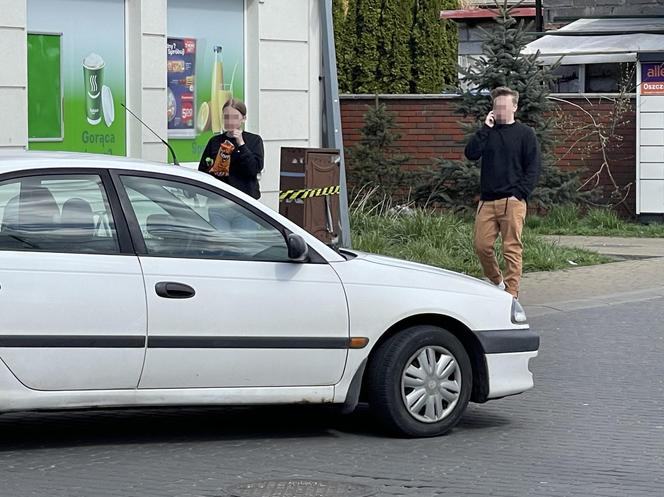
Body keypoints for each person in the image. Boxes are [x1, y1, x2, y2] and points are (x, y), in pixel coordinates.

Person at [464, 86, 541, 299]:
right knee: (481, 246)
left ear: (515, 107)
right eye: (496, 106)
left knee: (511, 249)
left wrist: (520, 193)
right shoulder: (488, 132)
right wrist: (484, 129)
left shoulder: (525, 134)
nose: (499, 111)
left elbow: (533, 168)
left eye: (504, 106)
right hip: (487, 201)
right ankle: (498, 282)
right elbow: (471, 154)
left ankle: (512, 293)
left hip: (512, 201)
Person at [198, 99, 264, 199]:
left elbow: (254, 169)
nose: (230, 121)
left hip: (245, 201)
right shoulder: (215, 141)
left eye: (235, 117)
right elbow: (203, 170)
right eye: (226, 117)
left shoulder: (254, 140)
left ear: (244, 118)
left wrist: (241, 144)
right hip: (218, 200)